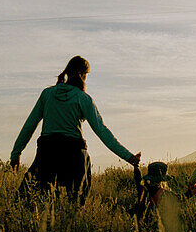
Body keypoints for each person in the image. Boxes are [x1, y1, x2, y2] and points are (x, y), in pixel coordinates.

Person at [10, 56, 139, 204]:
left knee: (26, 201)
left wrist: (15, 154)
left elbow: (29, 125)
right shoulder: (83, 98)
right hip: (73, 153)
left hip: (47, 153)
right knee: (75, 203)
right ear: (82, 74)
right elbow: (102, 131)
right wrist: (128, 157)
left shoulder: (47, 94)